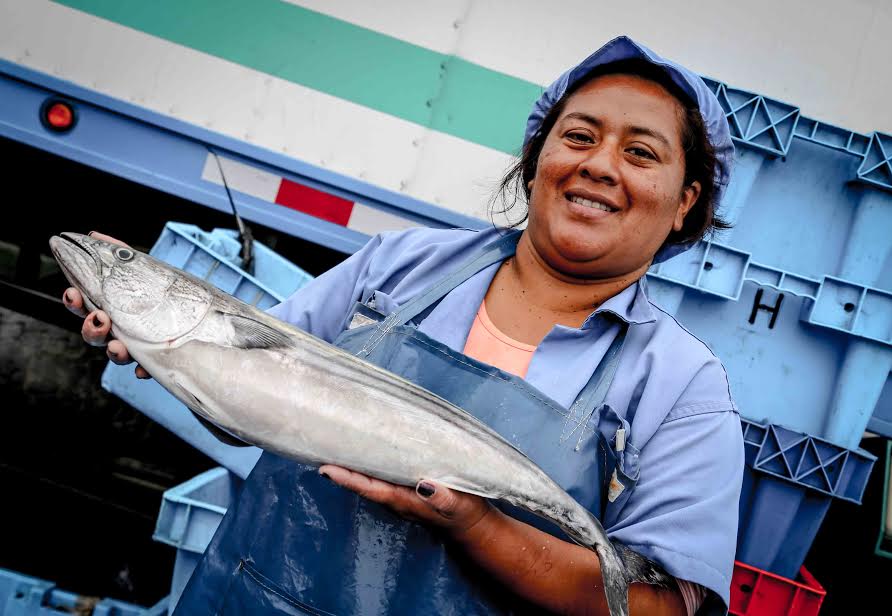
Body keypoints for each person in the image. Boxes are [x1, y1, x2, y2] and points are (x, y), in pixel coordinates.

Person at [63, 36, 744, 615]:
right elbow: (247, 407)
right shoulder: (403, 264)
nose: (598, 164)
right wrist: (171, 357)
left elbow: (656, 607)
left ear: (686, 201)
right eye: (579, 136)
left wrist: (476, 524)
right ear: (539, 156)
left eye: (641, 153)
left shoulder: (682, 385)